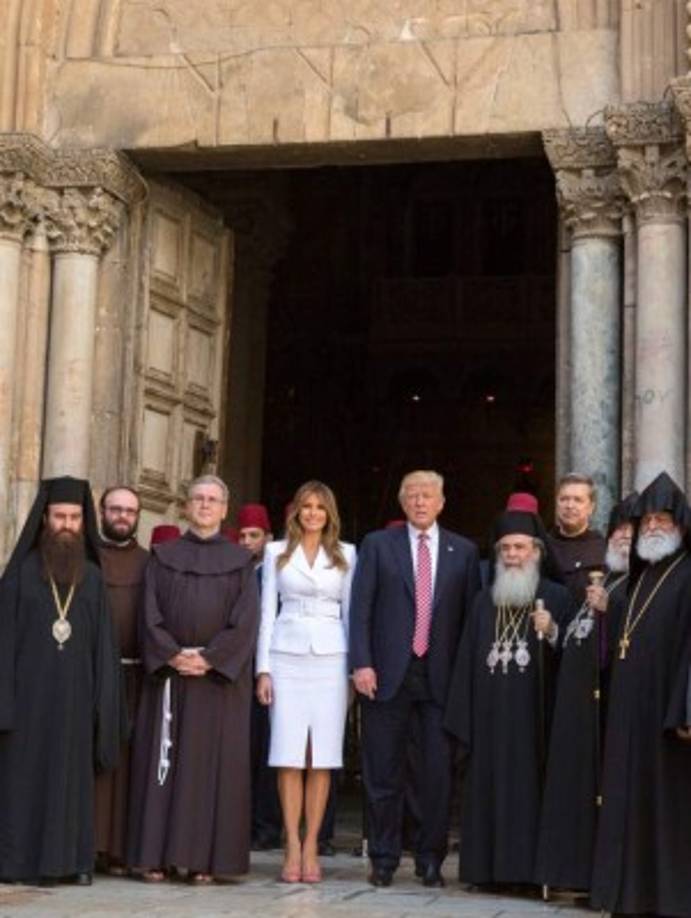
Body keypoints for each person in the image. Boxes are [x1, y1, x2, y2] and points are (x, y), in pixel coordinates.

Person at [350, 470, 480, 888]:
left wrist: (465, 680)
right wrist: (362, 663)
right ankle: (384, 858)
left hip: (440, 679)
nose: (420, 502)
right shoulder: (378, 545)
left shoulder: (464, 551)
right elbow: (360, 608)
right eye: (412, 495)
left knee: (436, 776)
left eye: (427, 495)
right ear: (402, 502)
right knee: (382, 773)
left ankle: (430, 860)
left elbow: (470, 622)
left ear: (441, 502)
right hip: (386, 676)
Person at [127, 474, 259, 883]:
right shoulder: (163, 556)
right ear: (185, 506)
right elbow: (148, 613)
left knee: (210, 769)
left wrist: (211, 659)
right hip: (171, 674)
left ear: (224, 509)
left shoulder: (241, 562)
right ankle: (155, 856)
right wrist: (171, 654)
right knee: (163, 764)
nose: (204, 505)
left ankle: (206, 861)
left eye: (212, 500)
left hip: (218, 681)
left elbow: (246, 622)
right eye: (198, 498)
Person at [0, 477, 123, 885]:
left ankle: (73, 862)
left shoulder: (93, 578)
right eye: (59, 517)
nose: (67, 525)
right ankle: (18, 863)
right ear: (44, 520)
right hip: (28, 702)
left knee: (71, 782)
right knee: (24, 781)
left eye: (74, 517)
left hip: (76, 701)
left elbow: (103, 649)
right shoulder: (19, 577)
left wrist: (104, 705)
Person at [444, 508, 574, 890]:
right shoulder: (483, 602)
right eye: (505, 549)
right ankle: (485, 873)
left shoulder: (557, 597)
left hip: (534, 722)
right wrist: (463, 717)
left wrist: (553, 631)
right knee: (486, 790)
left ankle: (529, 875)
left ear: (536, 551)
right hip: (488, 721)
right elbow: (466, 662)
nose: (512, 555)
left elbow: (575, 662)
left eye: (519, 547)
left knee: (529, 793)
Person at [590, 472, 691, 917]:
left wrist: (685, 708)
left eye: (661, 519)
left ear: (680, 524)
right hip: (630, 711)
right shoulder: (641, 576)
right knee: (629, 802)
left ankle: (670, 898)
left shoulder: (687, 574)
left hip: (668, 713)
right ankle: (631, 894)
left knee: (665, 807)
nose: (651, 527)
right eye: (646, 520)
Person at [535, 492, 637, 894]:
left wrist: (610, 610)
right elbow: (577, 641)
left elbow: (627, 648)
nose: (623, 539)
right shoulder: (607, 580)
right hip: (575, 713)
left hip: (606, 712)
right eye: (617, 533)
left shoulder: (634, 587)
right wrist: (552, 631)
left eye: (631, 533)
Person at [255, 481, 355, 883]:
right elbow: (266, 612)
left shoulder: (347, 553)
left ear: (330, 514)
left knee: (321, 757)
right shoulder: (275, 552)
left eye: (320, 507)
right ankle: (291, 845)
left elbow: (351, 614)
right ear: (296, 511)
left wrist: (353, 671)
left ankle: (312, 843)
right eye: (307, 506)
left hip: (331, 660)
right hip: (286, 657)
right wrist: (263, 669)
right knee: (288, 755)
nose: (313, 513)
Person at [95, 486, 149, 876]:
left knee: (129, 761)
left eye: (129, 511)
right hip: (92, 675)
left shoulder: (150, 562)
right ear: (101, 512)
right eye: (115, 509)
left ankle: (120, 850)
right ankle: (89, 844)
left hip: (135, 675)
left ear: (138, 517)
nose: (122, 516)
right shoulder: (86, 558)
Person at [237, 503, 282, 852]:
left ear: (268, 538)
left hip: (272, 672)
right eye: (242, 536)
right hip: (238, 670)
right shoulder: (235, 570)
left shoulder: (277, 571)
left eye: (254, 535)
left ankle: (267, 826)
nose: (247, 542)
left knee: (269, 750)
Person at [548, 473, 606, 604]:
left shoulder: (603, 550)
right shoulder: (543, 547)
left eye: (578, 500)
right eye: (564, 499)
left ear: (591, 507)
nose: (569, 505)